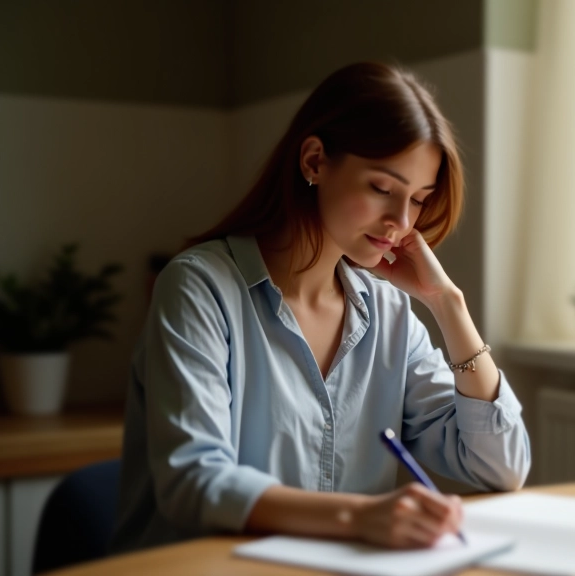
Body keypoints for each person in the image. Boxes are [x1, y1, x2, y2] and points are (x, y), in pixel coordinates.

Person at [110, 62, 531, 554]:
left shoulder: (391, 315)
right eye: (382, 189)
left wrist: (448, 305)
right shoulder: (199, 289)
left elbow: (501, 467)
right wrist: (360, 517)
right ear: (314, 161)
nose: (401, 221)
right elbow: (193, 480)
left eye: (418, 199)